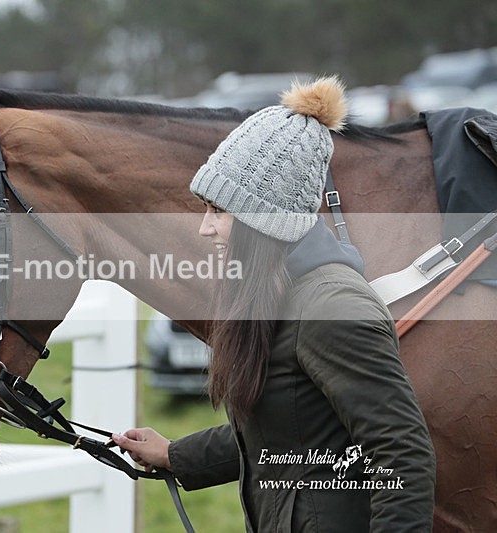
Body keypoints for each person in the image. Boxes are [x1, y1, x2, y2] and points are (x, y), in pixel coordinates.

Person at [112, 76, 436, 531]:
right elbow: (286, 432)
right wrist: (175, 455)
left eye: (219, 211)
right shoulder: (282, 291)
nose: (205, 228)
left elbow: (403, 455)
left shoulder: (332, 308)